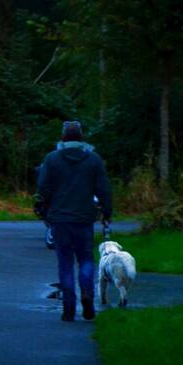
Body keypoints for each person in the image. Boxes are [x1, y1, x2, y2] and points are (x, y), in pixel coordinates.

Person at [36, 121, 113, 322]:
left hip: (59, 218)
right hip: (84, 218)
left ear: (63, 137)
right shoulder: (93, 160)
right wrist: (107, 212)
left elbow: (43, 188)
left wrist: (44, 209)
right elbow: (103, 189)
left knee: (65, 262)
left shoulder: (52, 159)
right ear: (81, 138)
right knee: (86, 259)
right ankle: (87, 294)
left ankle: (69, 307)